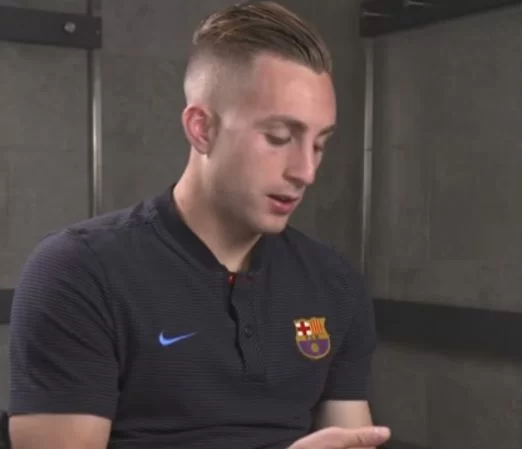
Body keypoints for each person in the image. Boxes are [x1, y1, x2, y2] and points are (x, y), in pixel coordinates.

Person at [7, 2, 391, 448]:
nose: (305, 171)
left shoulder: (335, 283)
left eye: (319, 144)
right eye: (279, 138)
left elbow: (350, 439)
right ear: (201, 129)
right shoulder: (77, 273)